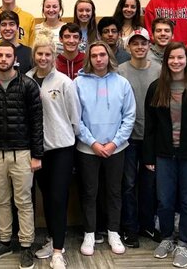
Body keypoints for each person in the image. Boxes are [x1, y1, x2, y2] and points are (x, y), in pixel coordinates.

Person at [143, 42, 187, 268]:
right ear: (166, 61)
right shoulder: (156, 88)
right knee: (164, 200)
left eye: (180, 58)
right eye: (171, 58)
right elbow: (150, 127)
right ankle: (166, 238)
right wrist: (148, 156)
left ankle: (183, 242)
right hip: (164, 154)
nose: (176, 62)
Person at [0, 41, 43, 269]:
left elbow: (37, 122)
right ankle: (5, 241)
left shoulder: (28, 85)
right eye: (0, 55)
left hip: (23, 152)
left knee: (24, 201)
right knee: (1, 200)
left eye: (8, 55)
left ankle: (26, 246)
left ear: (14, 59)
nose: (3, 59)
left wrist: (37, 155)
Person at [73, 41, 136, 256]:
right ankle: (89, 233)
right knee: (90, 192)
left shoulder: (122, 83)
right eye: (94, 56)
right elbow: (76, 118)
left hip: (116, 149)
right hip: (87, 148)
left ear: (109, 56)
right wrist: (93, 143)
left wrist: (113, 143)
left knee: (114, 192)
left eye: (102, 55)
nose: (99, 59)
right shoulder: (78, 83)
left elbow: (129, 117)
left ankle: (113, 232)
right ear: (89, 59)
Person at [27, 33, 80, 269]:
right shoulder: (26, 80)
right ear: (34, 55)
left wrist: (69, 138)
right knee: (46, 198)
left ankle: (59, 251)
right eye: (39, 53)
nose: (43, 58)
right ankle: (51, 239)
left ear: (54, 56)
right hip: (37, 151)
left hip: (61, 149)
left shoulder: (64, 82)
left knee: (58, 198)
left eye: (48, 54)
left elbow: (74, 117)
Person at [116, 28, 161, 248]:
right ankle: (130, 228)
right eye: (135, 43)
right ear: (128, 47)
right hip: (127, 137)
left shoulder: (160, 71)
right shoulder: (120, 71)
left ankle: (147, 224)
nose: (140, 47)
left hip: (152, 137)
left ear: (149, 45)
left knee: (149, 184)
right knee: (128, 184)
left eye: (143, 43)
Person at [0, 10, 33, 75]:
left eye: (11, 24)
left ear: (18, 28)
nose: (7, 28)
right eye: (3, 25)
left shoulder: (29, 54)